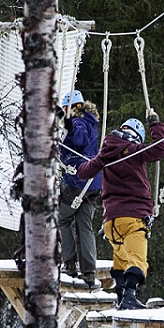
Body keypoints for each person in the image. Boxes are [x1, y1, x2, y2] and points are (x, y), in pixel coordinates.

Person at [76, 110, 164, 310]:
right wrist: (155, 123)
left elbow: (85, 172)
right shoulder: (134, 150)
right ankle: (129, 296)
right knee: (138, 260)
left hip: (111, 222)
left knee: (121, 260)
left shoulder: (105, 154)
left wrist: (73, 166)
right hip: (133, 217)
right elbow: (161, 148)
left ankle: (120, 296)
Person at [57, 90, 102, 288]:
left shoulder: (78, 122)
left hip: (77, 182)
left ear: (73, 108)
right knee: (84, 225)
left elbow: (79, 138)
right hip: (93, 183)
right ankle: (89, 272)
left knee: (63, 219)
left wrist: (68, 126)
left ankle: (69, 265)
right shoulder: (91, 121)